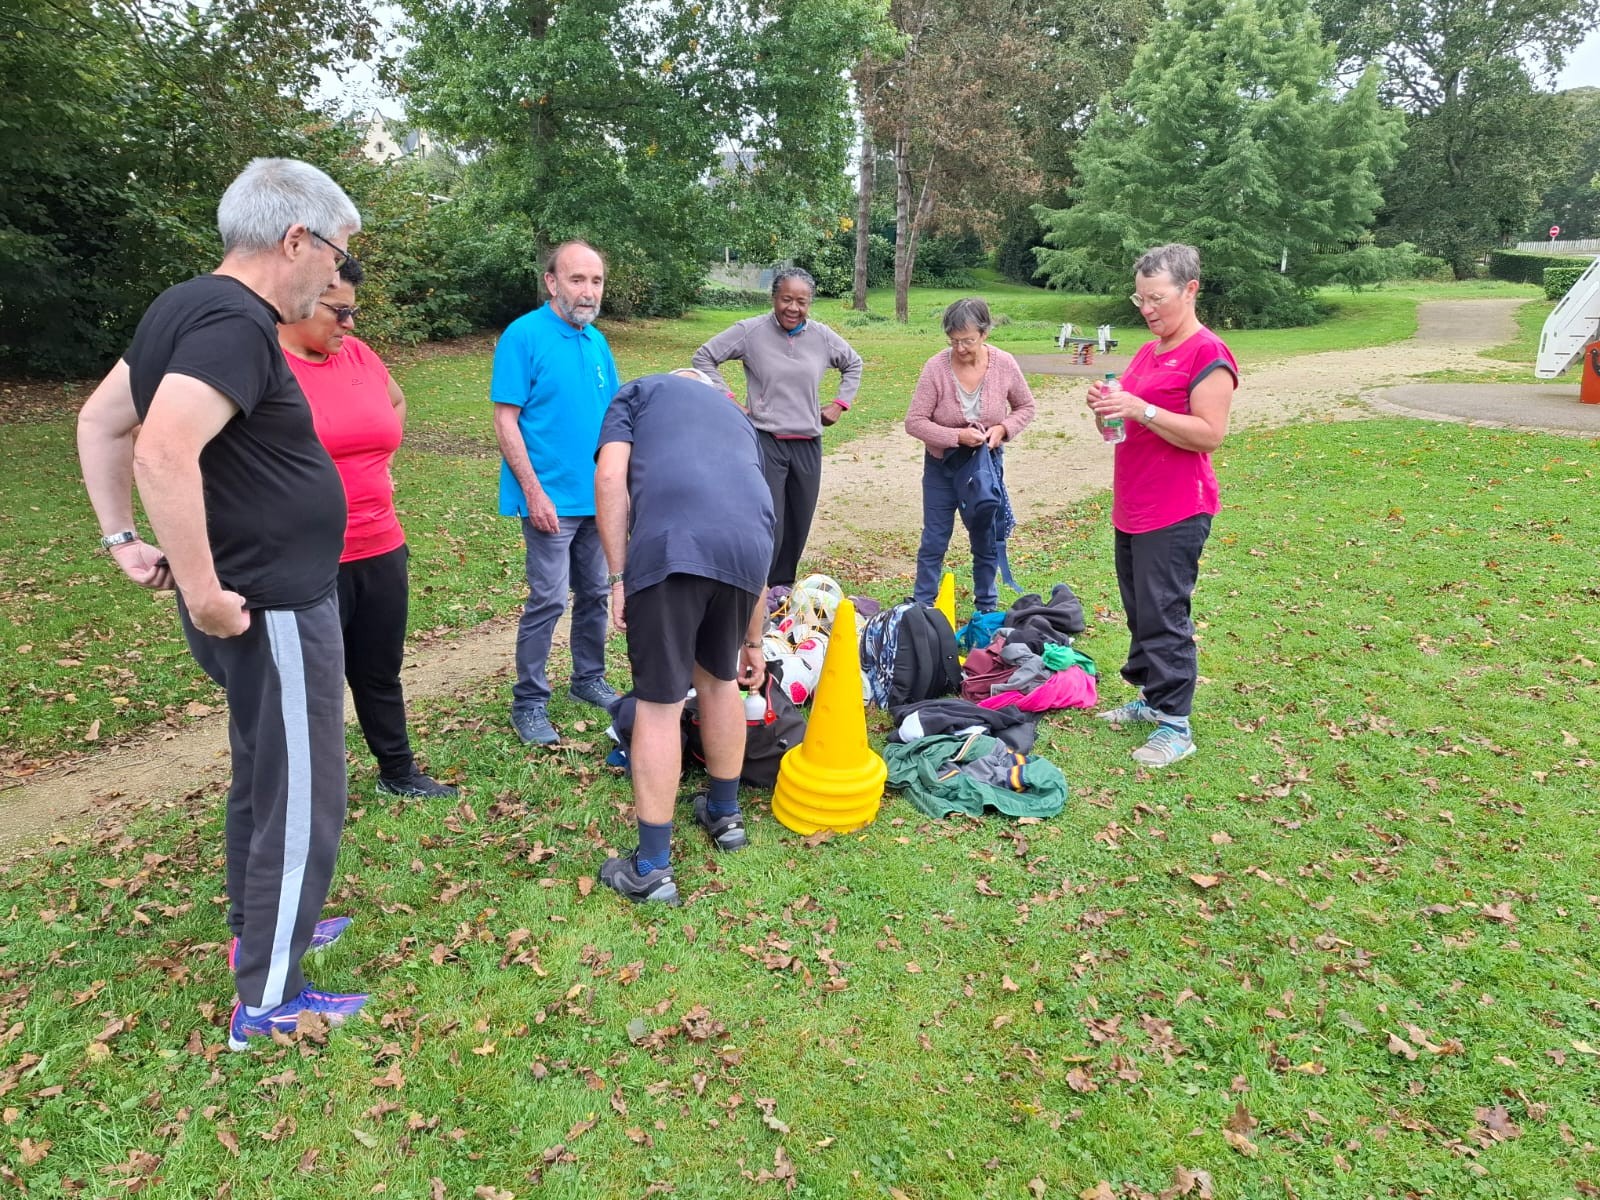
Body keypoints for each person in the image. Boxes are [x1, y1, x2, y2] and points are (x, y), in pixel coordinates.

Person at [75, 157, 368, 1049]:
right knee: (307, 789)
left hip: (266, 599)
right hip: (268, 606)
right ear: (295, 239)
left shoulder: (184, 305)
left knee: (264, 770)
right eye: (338, 254)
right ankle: (270, 997)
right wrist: (201, 593)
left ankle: (263, 924)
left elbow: (98, 420)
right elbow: (161, 448)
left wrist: (122, 540)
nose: (339, 276)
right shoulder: (238, 321)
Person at [593, 369, 775, 905]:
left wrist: (619, 576)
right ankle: (726, 816)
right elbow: (755, 517)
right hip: (748, 551)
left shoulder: (640, 391)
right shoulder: (739, 420)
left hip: (672, 545)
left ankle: (651, 868)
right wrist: (753, 641)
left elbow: (609, 480)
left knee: (658, 704)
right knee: (720, 683)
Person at [278, 258, 458, 799]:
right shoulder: (264, 366)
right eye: (339, 311)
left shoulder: (358, 355)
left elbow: (396, 402)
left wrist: (380, 466)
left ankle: (398, 773)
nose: (350, 325)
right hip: (305, 557)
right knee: (312, 685)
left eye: (353, 311)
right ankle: (310, 791)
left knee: (380, 670)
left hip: (380, 544)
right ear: (300, 297)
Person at [1085, 243, 1238, 768]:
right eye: (1140, 298)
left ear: (1190, 290)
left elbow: (1209, 434)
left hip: (1177, 507)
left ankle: (1177, 724)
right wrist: (1109, 409)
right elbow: (1127, 422)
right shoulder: (1148, 353)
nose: (1147, 309)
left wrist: (1141, 406)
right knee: (1140, 610)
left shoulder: (1208, 353)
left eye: (1157, 298)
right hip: (1134, 502)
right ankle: (1151, 699)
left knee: (1165, 613)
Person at [492, 240, 621, 746]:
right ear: (552, 282)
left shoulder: (596, 341)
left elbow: (615, 417)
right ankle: (529, 702)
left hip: (597, 499)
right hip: (549, 500)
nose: (588, 291)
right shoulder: (523, 336)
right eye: (577, 279)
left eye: (596, 281)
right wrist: (533, 491)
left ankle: (588, 677)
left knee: (593, 593)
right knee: (547, 599)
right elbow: (506, 420)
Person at [691, 267, 863, 588]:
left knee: (798, 525)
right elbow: (704, 358)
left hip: (808, 443)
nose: (793, 308)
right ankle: (755, 591)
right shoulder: (750, 331)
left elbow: (853, 363)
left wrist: (840, 404)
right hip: (765, 440)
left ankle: (780, 594)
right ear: (774, 298)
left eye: (802, 301)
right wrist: (730, 400)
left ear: (810, 303)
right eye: (786, 299)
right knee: (770, 524)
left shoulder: (822, 337)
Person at [904, 297, 1036, 611]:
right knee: (935, 537)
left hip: (985, 467)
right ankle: (922, 606)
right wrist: (955, 437)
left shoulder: (1004, 363)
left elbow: (1026, 407)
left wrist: (1003, 429)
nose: (960, 348)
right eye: (954, 341)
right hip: (942, 466)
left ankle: (986, 608)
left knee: (985, 535)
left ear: (985, 334)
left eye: (968, 341)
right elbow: (914, 421)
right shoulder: (936, 367)